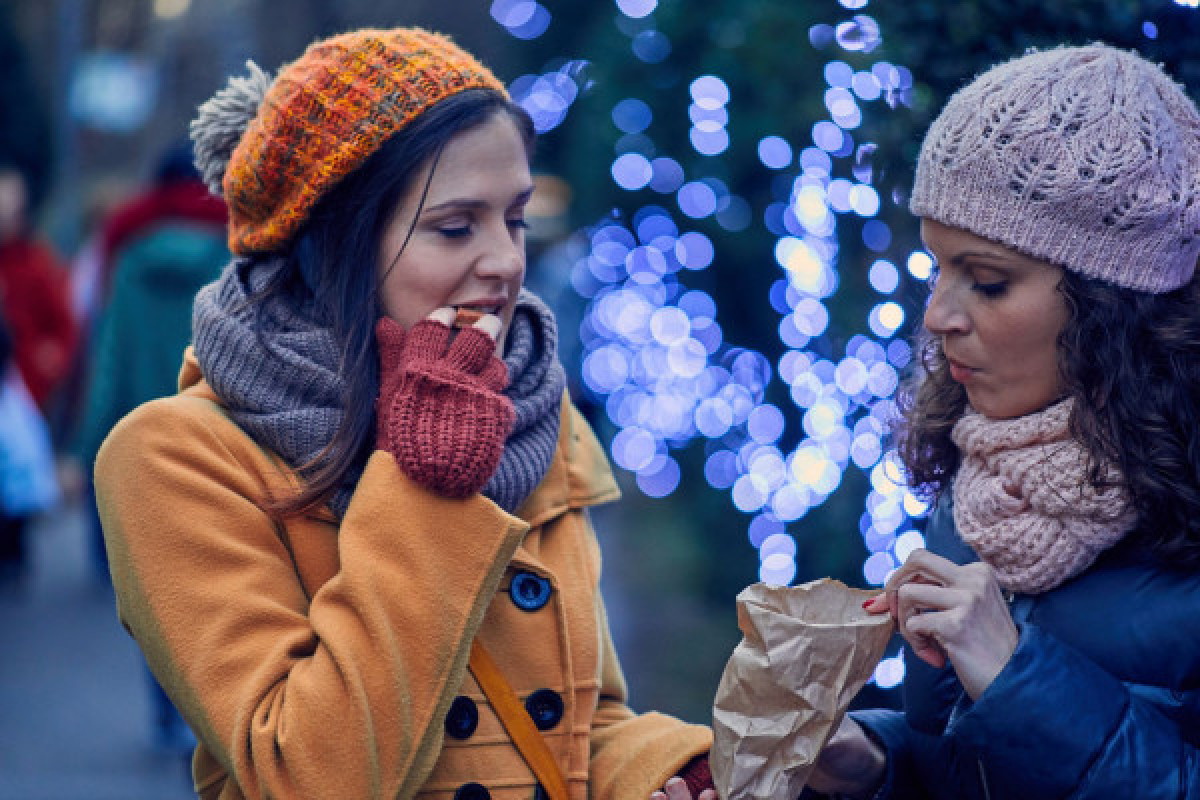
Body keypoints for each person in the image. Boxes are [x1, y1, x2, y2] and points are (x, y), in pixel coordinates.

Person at [93, 28, 716, 800]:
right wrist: (428, 477)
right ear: (332, 241)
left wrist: (668, 769)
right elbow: (309, 775)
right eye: (456, 227)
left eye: (514, 218)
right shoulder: (174, 457)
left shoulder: (528, 405)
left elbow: (576, 726)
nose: (505, 261)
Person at [797, 43, 1200, 799]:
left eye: (986, 281)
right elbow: (967, 766)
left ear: (1113, 304)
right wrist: (877, 764)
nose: (939, 315)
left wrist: (1017, 678)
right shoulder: (984, 474)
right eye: (937, 268)